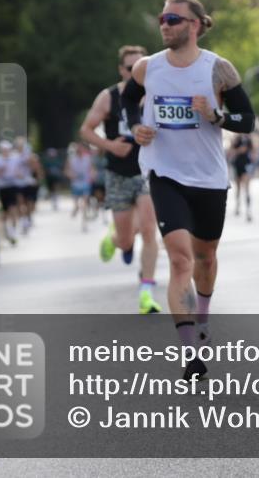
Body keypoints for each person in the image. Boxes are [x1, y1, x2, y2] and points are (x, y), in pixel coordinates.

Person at [122, 0, 256, 380]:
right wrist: (135, 126)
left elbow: (246, 119)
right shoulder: (148, 68)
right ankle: (190, 354)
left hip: (209, 178)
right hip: (165, 174)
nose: (165, 25)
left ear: (195, 25)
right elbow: (129, 102)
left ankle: (203, 316)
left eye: (173, 19)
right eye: (163, 19)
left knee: (205, 258)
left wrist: (216, 115)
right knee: (180, 258)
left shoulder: (218, 70)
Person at [80, 44, 162, 314]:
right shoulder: (110, 97)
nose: (136, 71)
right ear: (121, 70)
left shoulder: (156, 93)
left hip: (146, 171)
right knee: (127, 239)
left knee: (149, 229)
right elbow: (86, 130)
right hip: (118, 173)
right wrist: (110, 146)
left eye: (141, 66)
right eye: (130, 68)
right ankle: (115, 240)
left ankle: (146, 291)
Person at [0, 140, 22, 245]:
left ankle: (13, 231)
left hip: (12, 185)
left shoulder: (15, 158)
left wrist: (18, 174)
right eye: (4, 150)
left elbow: (19, 170)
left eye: (7, 149)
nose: (5, 151)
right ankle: (6, 229)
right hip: (2, 187)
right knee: (5, 211)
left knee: (13, 208)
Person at [64, 142, 95, 232]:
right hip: (75, 184)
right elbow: (66, 171)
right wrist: (70, 175)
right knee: (77, 204)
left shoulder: (88, 159)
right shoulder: (71, 159)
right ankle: (76, 208)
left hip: (85, 183)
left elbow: (92, 169)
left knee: (85, 203)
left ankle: (84, 223)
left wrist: (92, 175)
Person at [229, 133, 253, 222]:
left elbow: (253, 150)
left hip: (246, 163)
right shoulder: (236, 139)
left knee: (246, 188)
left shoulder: (248, 139)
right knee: (238, 188)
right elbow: (231, 151)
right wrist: (238, 150)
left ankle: (248, 211)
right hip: (237, 164)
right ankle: (238, 206)